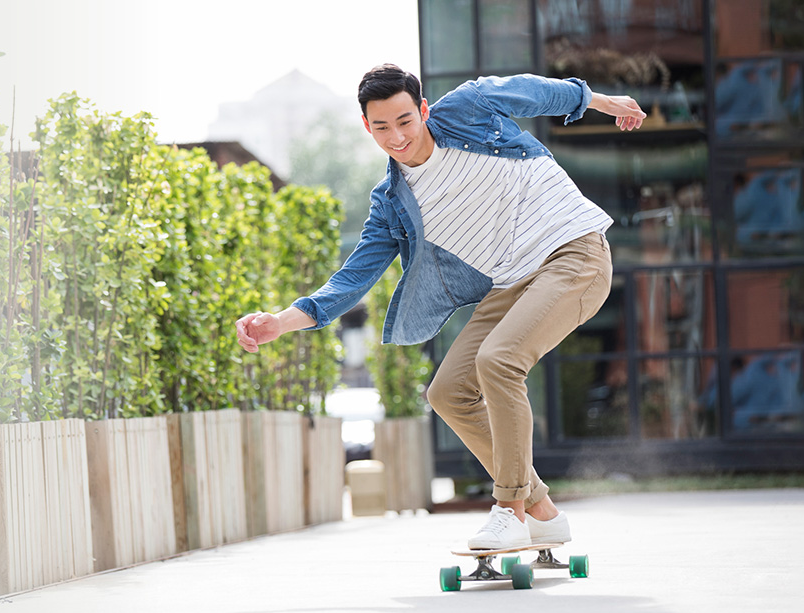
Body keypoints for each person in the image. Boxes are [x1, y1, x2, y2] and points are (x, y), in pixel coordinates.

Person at [234, 64, 644, 550]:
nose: (397, 137)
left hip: (574, 253)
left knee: (499, 361)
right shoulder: (392, 203)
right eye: (381, 127)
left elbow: (535, 92)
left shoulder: (469, 109)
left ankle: (509, 509)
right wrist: (281, 321)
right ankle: (543, 512)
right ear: (367, 126)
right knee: (448, 392)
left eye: (405, 121)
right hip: (511, 282)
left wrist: (602, 101)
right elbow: (352, 279)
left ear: (423, 109)